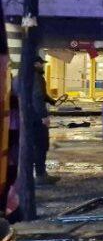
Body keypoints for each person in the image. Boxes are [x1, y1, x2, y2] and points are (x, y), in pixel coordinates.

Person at [27, 55, 54, 185]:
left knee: (33, 146)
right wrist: (44, 116)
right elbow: (37, 96)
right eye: (41, 63)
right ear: (36, 64)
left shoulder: (26, 76)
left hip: (28, 117)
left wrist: (50, 100)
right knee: (41, 145)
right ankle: (41, 175)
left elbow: (40, 95)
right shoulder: (36, 77)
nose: (43, 65)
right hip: (36, 118)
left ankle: (34, 174)